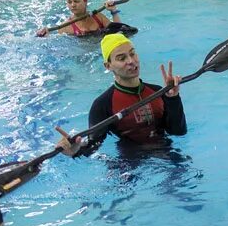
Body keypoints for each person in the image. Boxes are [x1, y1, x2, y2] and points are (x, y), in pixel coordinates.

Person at [57, 33, 185, 156]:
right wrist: (75, 150)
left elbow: (178, 132)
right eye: (121, 58)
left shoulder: (158, 92)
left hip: (164, 151)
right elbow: (94, 145)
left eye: (132, 54)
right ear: (108, 66)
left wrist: (173, 98)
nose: (131, 61)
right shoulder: (103, 104)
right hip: (130, 160)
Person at [36, 0, 120, 37]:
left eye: (76, 1)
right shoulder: (65, 27)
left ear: (85, 2)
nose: (72, 5)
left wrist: (114, 11)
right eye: (69, 2)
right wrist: (45, 36)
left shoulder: (98, 18)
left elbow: (119, 32)